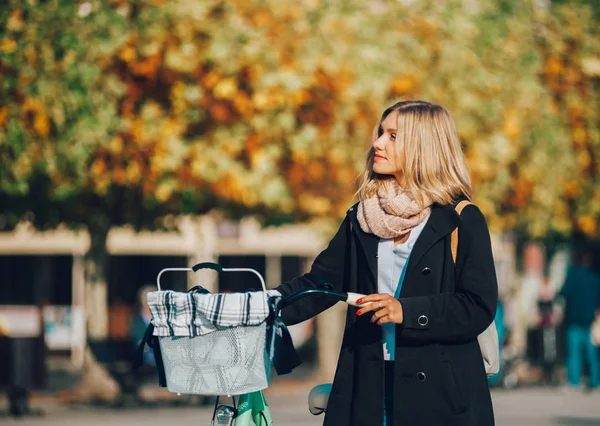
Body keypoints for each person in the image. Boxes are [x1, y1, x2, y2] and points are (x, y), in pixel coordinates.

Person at [276, 101, 498, 426]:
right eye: (381, 133)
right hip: (368, 388)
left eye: (393, 136)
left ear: (424, 146)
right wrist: (259, 307)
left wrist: (405, 311)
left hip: (440, 398)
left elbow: (477, 305)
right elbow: (318, 286)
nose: (377, 143)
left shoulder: (461, 219)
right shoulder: (361, 217)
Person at [556, 250, 600, 391]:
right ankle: (595, 381)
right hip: (589, 321)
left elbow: (562, 293)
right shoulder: (595, 277)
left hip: (573, 320)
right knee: (591, 353)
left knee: (574, 354)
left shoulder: (573, 275)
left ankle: (574, 382)